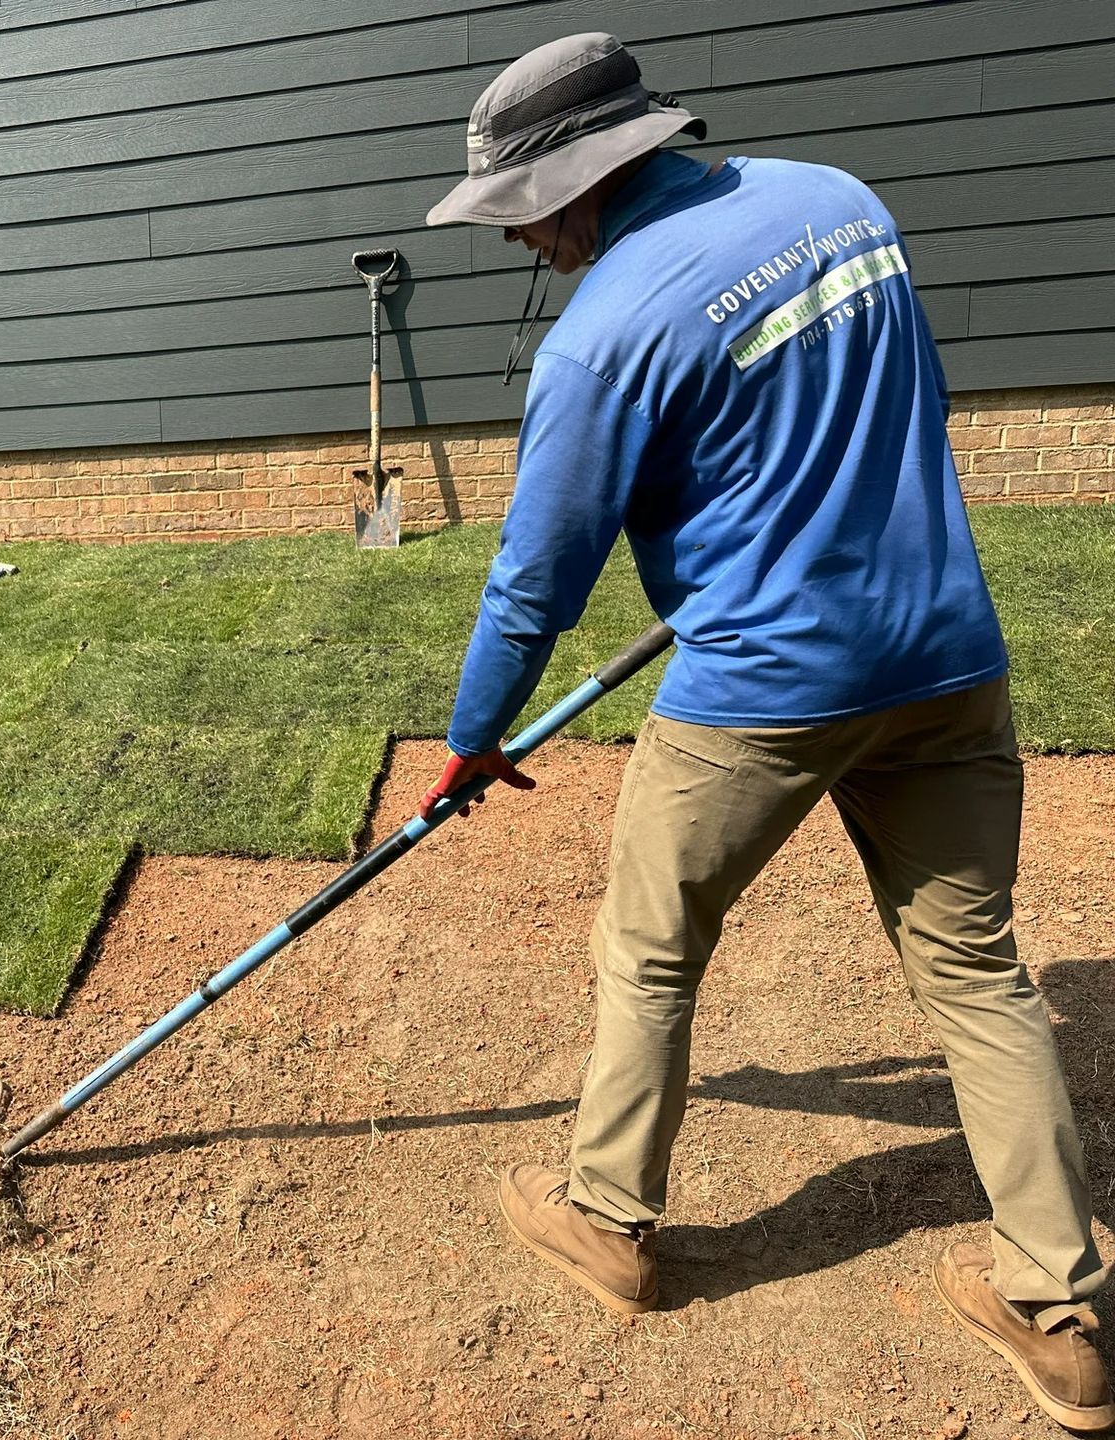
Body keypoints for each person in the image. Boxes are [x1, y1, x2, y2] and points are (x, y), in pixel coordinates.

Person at [417, 31, 1110, 1431]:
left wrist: (473, 738)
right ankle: (1065, 1314)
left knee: (651, 944)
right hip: (945, 654)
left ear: (586, 179)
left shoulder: (603, 337)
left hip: (768, 690)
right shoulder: (845, 200)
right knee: (976, 972)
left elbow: (534, 582)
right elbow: (867, 412)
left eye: (524, 212)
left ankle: (610, 1221)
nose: (524, 242)